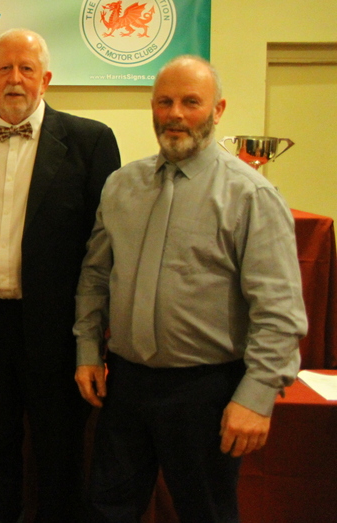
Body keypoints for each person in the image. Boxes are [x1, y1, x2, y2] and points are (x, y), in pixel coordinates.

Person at [73, 55, 308, 522]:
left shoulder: (250, 195)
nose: (175, 114)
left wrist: (256, 395)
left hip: (206, 392)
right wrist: (87, 350)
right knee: (106, 510)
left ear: (218, 110)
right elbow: (95, 277)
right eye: (164, 102)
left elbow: (279, 310)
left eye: (191, 102)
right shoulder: (121, 186)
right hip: (126, 384)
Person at [0, 29, 121, 522]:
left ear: (46, 79)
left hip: (57, 332)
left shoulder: (91, 141)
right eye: (5, 69)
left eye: (26, 69)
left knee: (59, 460)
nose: (15, 79)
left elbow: (104, 243)